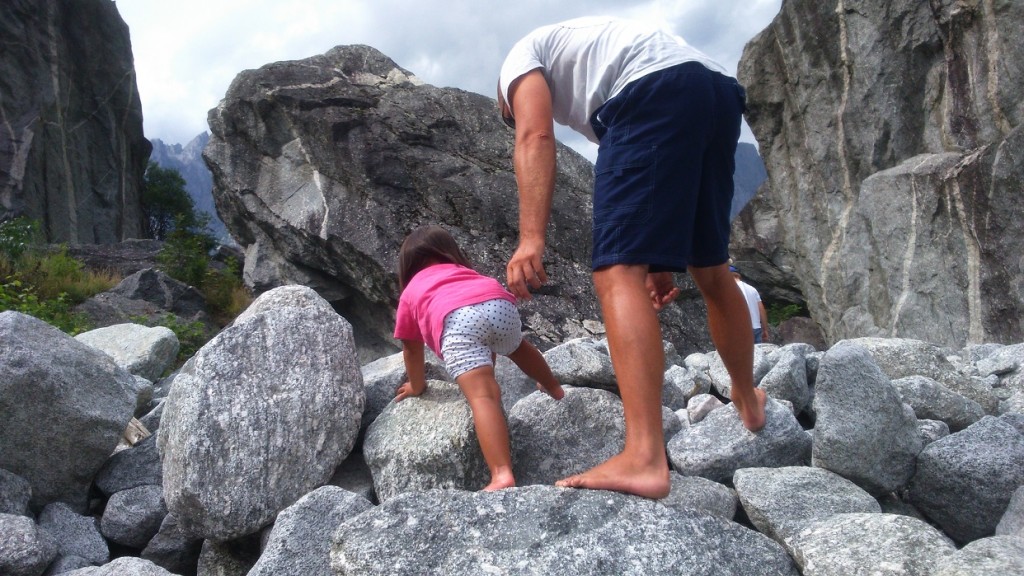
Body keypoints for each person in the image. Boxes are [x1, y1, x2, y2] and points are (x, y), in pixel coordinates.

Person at [497, 16, 767, 499]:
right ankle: (748, 399)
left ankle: (644, 455)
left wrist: (531, 238)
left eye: (508, 111)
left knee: (617, 270)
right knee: (710, 267)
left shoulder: (519, 61)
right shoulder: (586, 61)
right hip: (714, 92)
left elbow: (534, 137)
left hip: (650, 91)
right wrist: (660, 261)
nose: (513, 113)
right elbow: (658, 179)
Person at [393, 224, 564, 491]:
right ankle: (553, 387)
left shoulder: (412, 290)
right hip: (497, 302)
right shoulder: (464, 272)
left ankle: (501, 474)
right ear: (450, 252)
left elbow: (411, 347)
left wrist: (417, 385)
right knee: (518, 347)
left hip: (458, 319)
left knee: (484, 397)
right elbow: (486, 334)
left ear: (407, 266)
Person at [731, 265, 770, 344]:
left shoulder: (729, 289)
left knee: (740, 355)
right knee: (757, 355)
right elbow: (761, 310)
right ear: (738, 275)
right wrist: (765, 329)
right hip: (756, 328)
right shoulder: (752, 289)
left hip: (740, 329)